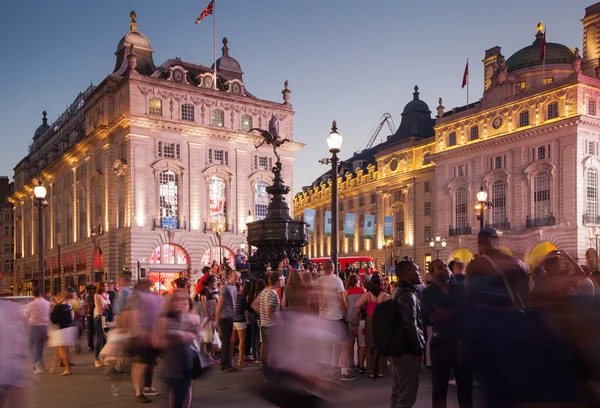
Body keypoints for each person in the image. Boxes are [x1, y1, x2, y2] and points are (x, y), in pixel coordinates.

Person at [422, 259, 472, 408]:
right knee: (439, 387)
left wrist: (444, 312)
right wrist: (457, 312)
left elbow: (467, 312)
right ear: (432, 273)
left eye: (445, 266)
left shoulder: (461, 288)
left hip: (461, 343)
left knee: (465, 387)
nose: (444, 269)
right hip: (440, 344)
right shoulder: (428, 292)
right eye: (439, 268)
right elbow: (429, 317)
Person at [157, 289, 203, 408]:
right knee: (175, 391)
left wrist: (197, 330)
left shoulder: (193, 318)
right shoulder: (166, 318)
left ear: (189, 303)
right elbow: (161, 337)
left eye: (184, 301)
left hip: (188, 360)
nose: (181, 303)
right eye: (177, 300)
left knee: (187, 389)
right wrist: (181, 334)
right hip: (172, 361)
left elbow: (199, 337)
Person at [390, 260, 425, 408]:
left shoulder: (398, 291)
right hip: (407, 351)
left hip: (398, 349)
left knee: (398, 391)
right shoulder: (408, 295)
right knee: (406, 396)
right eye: (416, 270)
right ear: (406, 274)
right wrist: (418, 349)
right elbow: (410, 325)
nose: (420, 273)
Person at [313, 259, 354, 381]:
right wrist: (346, 316)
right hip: (337, 316)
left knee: (326, 345)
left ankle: (327, 371)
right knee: (344, 344)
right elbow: (342, 301)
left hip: (323, 317)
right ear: (332, 268)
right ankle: (344, 372)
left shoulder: (318, 282)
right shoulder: (337, 281)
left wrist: (318, 312)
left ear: (323, 268)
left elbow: (315, 300)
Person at [129, 279, 161, 403]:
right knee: (140, 364)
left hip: (151, 334)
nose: (150, 287)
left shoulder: (152, 296)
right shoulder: (137, 297)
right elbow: (135, 314)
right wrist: (140, 331)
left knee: (149, 363)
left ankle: (146, 387)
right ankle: (139, 392)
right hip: (141, 335)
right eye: (148, 285)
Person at [355, 274, 388, 377]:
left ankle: (371, 371)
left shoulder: (367, 295)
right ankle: (380, 370)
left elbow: (357, 304)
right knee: (381, 345)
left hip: (370, 320)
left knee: (370, 344)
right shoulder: (385, 295)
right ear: (380, 284)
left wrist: (365, 305)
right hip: (382, 320)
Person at [49, 288, 78, 376]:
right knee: (60, 350)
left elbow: (54, 316)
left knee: (62, 350)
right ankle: (55, 367)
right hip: (66, 327)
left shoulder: (63, 304)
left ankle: (68, 369)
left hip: (61, 328)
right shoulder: (68, 303)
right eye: (73, 293)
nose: (74, 294)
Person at [258, 271, 282, 376]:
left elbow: (257, 304)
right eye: (281, 279)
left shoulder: (265, 291)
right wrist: (280, 322)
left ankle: (265, 370)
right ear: (277, 281)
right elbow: (269, 312)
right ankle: (272, 371)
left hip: (264, 324)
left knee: (266, 348)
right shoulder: (273, 294)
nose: (283, 280)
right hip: (272, 326)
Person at [216, 268, 239, 372]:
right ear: (229, 277)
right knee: (226, 340)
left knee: (229, 340)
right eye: (235, 276)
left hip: (230, 316)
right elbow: (219, 305)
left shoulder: (234, 287)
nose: (237, 278)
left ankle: (227, 363)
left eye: (237, 276)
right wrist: (217, 320)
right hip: (225, 317)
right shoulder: (226, 288)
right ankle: (225, 364)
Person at [25, 288, 51, 374]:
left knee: (30, 346)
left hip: (34, 327)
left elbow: (26, 315)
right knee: (39, 347)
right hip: (44, 327)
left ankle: (36, 364)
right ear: (41, 294)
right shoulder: (47, 303)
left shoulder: (31, 304)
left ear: (33, 295)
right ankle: (38, 364)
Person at [94, 281, 111, 367]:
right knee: (100, 337)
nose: (107, 287)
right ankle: (96, 359)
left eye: (107, 286)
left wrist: (106, 306)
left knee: (105, 338)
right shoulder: (97, 295)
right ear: (101, 287)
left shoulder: (106, 296)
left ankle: (104, 358)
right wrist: (105, 307)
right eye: (105, 286)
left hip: (105, 316)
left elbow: (108, 306)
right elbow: (100, 307)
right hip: (99, 317)